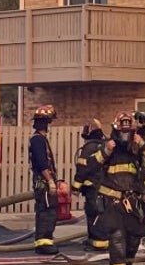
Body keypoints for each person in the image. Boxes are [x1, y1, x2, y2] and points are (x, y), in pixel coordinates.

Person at [84, 111, 145, 265]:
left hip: (134, 201)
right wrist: (106, 151)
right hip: (113, 201)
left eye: (129, 131)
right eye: (122, 131)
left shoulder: (138, 147)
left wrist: (142, 145)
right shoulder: (107, 145)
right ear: (115, 130)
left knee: (134, 237)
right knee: (117, 235)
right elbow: (89, 166)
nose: (125, 135)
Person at [28, 104, 65, 255]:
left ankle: (45, 240)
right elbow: (42, 162)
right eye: (48, 122)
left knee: (48, 211)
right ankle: (44, 243)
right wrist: (50, 181)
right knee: (47, 212)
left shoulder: (40, 139)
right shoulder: (38, 140)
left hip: (44, 182)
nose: (49, 125)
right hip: (43, 183)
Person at [71, 118, 109, 252]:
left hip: (93, 188)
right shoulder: (106, 145)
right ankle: (96, 240)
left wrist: (75, 187)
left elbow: (82, 169)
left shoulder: (89, 147)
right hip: (105, 188)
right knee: (102, 213)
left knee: (94, 213)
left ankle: (98, 242)